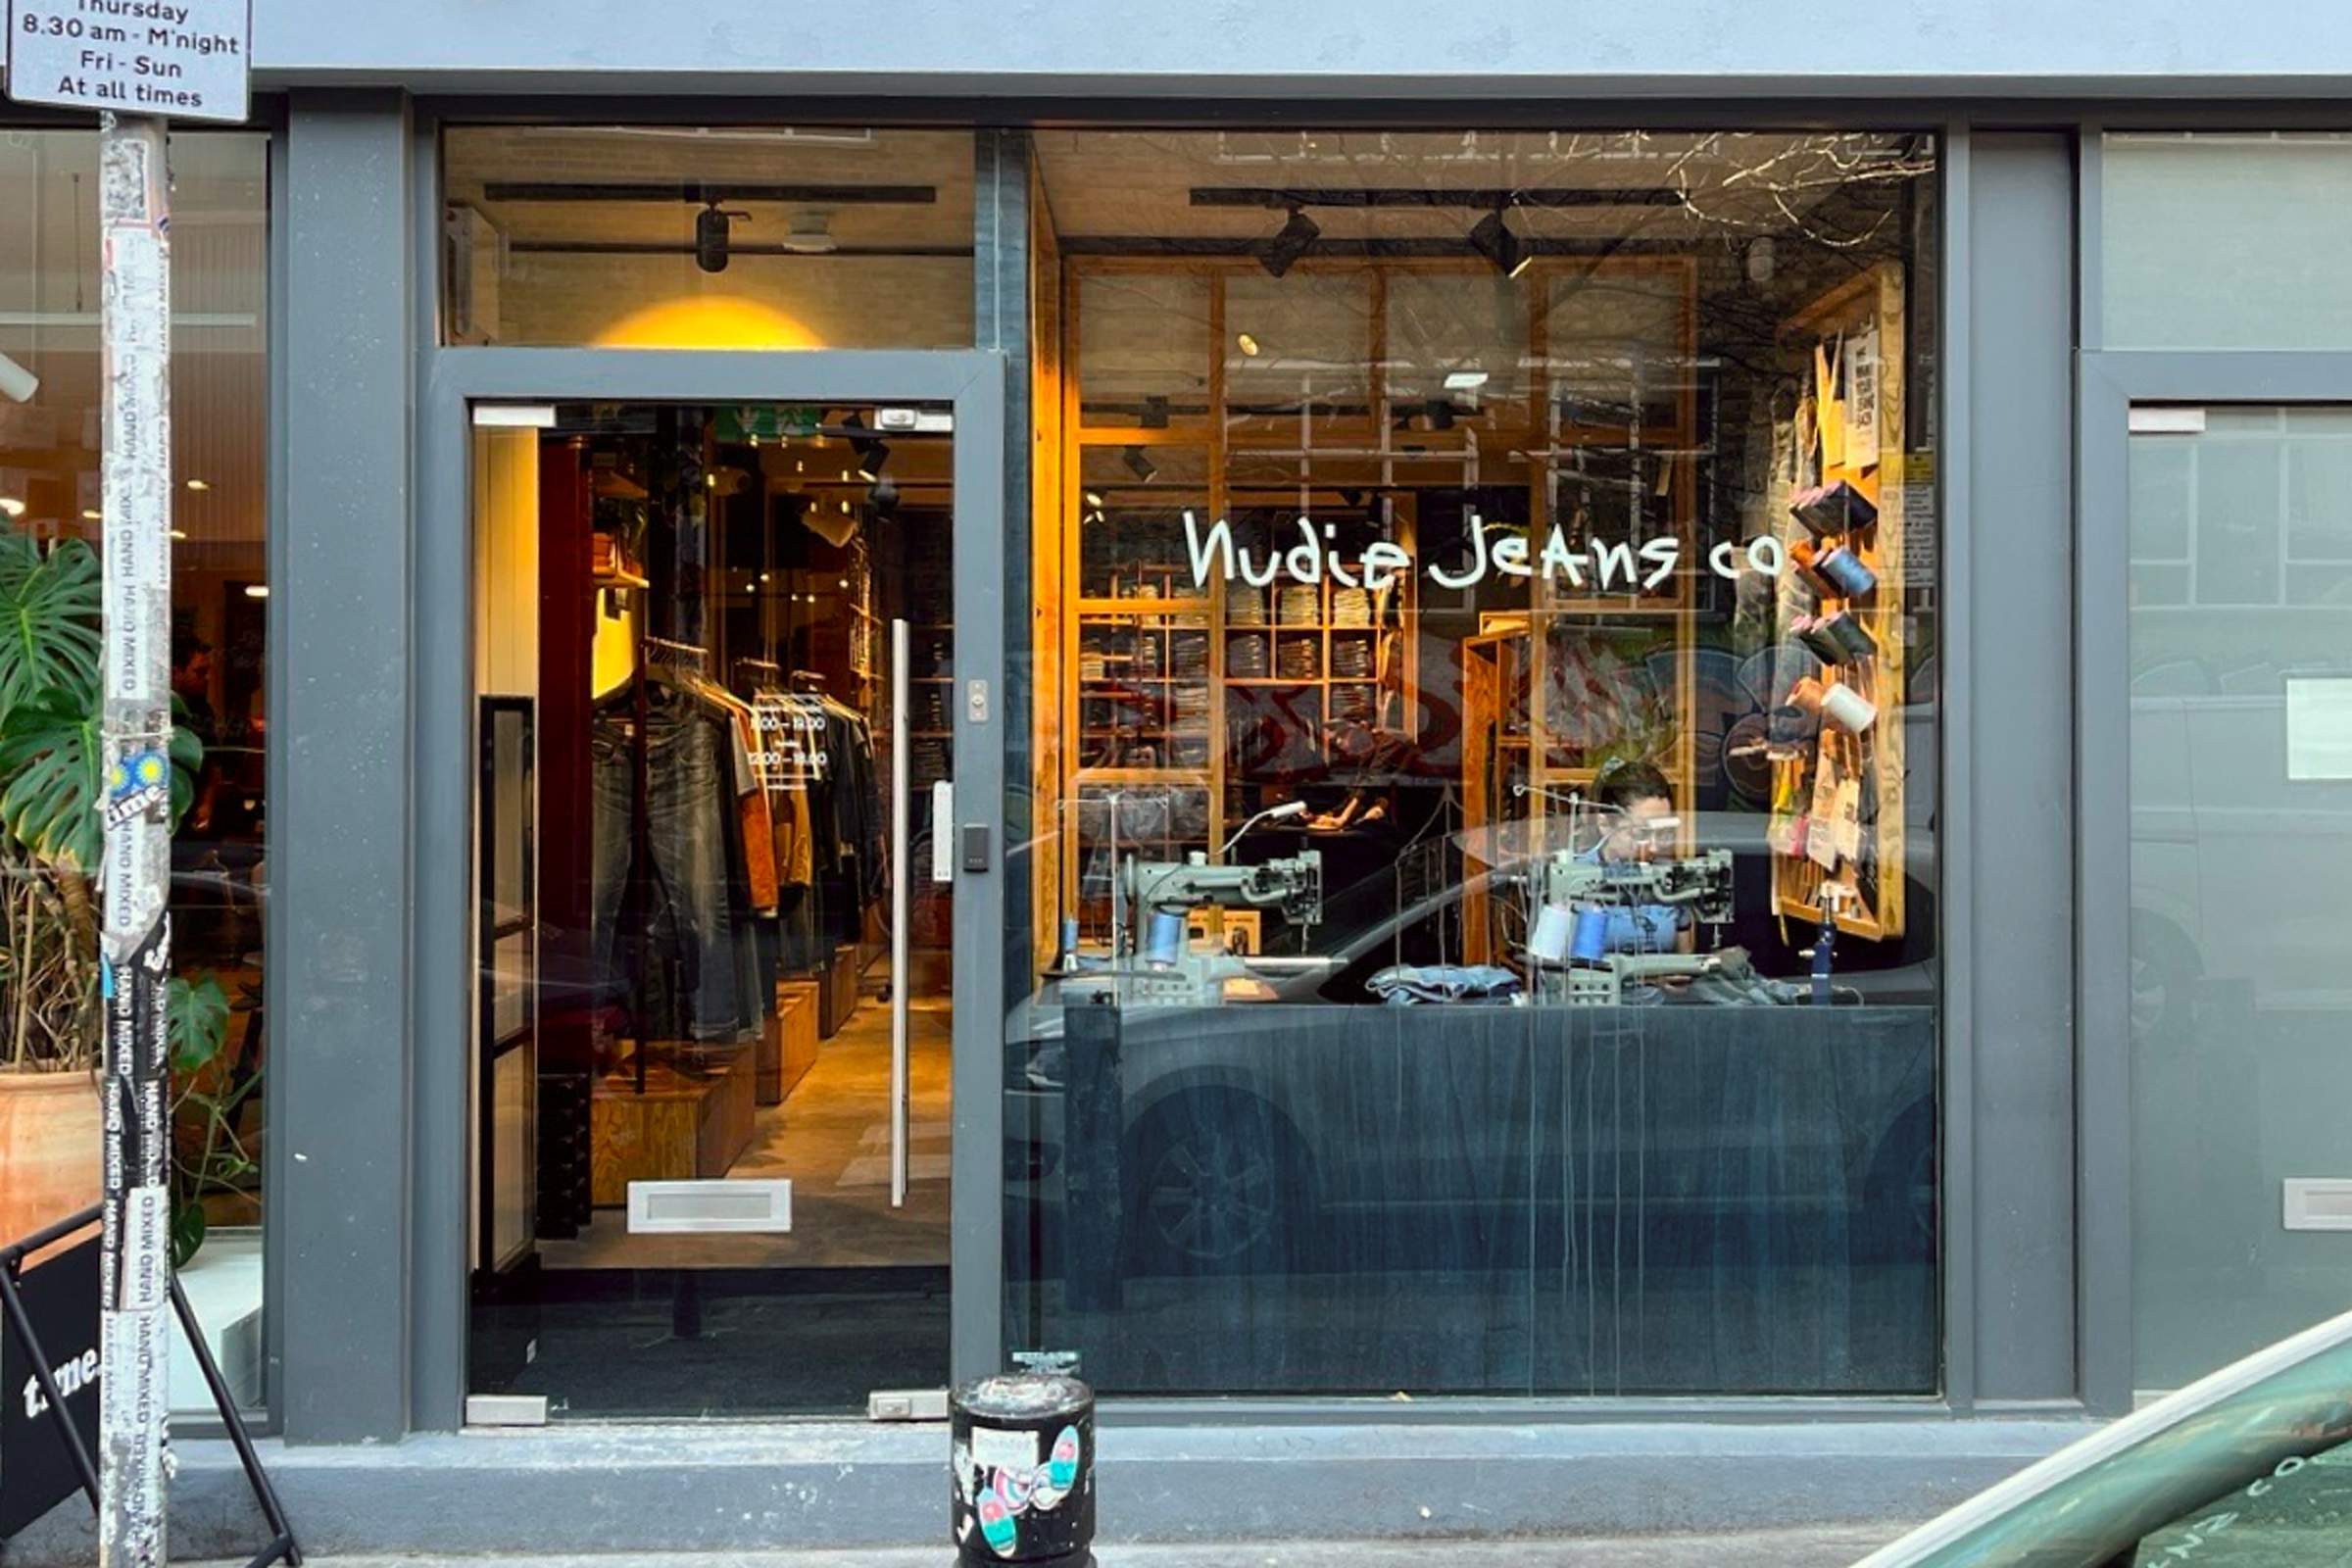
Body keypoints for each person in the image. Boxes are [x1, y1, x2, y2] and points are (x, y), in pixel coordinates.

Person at [1576, 759, 1691, 956]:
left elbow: (1685, 959)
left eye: (1663, 834)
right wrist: (1651, 979)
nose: (1654, 848)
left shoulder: (1670, 878)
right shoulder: (1574, 878)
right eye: (1641, 834)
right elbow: (1554, 972)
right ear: (1605, 824)